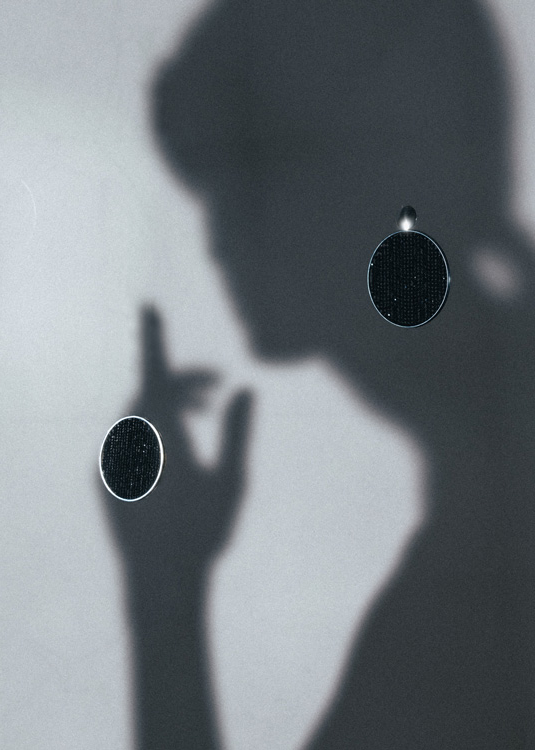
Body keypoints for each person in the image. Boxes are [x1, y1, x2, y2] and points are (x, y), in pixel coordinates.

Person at [106, 0, 535, 746]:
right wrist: (165, 582)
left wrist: (165, 595)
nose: (216, 243)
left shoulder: (482, 580)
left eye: (244, 185)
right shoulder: (483, 516)